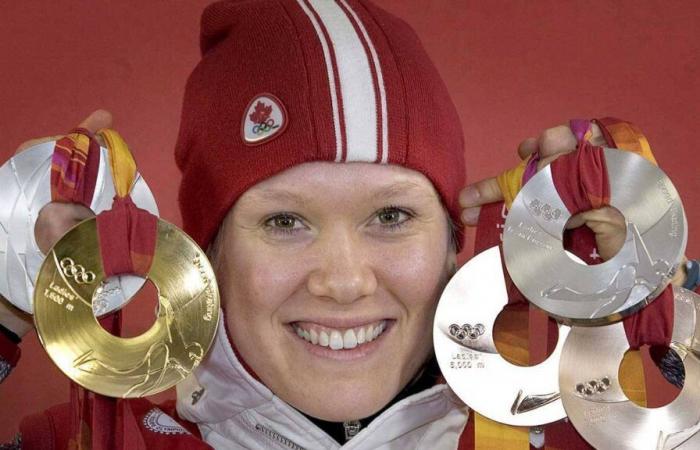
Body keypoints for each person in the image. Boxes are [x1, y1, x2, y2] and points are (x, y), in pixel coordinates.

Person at [0, 1, 696, 449]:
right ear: (205, 253)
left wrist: (657, 309)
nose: (342, 281)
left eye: (392, 216)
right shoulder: (89, 436)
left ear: (458, 241)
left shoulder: (599, 433)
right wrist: (4, 306)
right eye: (284, 221)